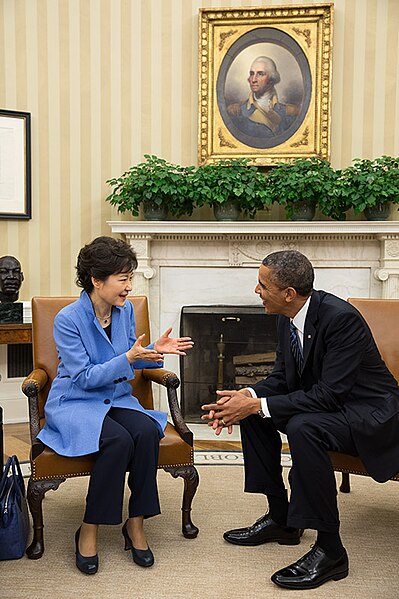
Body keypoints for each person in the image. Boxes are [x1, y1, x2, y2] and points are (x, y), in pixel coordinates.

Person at [202, 250, 399, 590]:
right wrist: (245, 398)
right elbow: (282, 377)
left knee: (303, 426)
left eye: (263, 285)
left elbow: (329, 395)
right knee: (256, 413)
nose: (257, 291)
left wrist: (257, 404)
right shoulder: (286, 316)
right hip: (334, 406)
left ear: (288, 293)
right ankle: (282, 519)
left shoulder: (340, 319)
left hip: (371, 413)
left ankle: (331, 550)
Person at [37, 236, 193, 575]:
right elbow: (85, 377)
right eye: (122, 278)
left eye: (130, 278)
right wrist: (129, 357)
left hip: (116, 398)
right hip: (77, 401)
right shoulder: (68, 319)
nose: (128, 286)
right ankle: (90, 527)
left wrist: (153, 349)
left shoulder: (123, 313)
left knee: (147, 431)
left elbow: (127, 357)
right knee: (119, 439)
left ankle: (135, 523)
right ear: (96, 280)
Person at [227, 56, 299, 139]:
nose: (253, 80)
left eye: (260, 74)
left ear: (272, 78)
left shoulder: (291, 112)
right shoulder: (236, 111)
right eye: (251, 74)